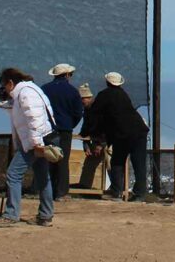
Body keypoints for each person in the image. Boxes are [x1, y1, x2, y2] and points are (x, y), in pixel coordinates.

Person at [0, 67, 57, 228]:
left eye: (5, 86)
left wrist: (36, 143)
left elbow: (34, 118)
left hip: (34, 141)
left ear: (10, 83)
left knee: (13, 175)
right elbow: (19, 112)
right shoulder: (29, 90)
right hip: (42, 138)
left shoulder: (26, 93)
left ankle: (11, 215)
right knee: (42, 176)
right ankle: (45, 215)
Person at [88, 72, 149, 201]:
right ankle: (140, 194)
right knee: (139, 163)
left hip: (122, 134)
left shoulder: (104, 95)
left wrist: (96, 136)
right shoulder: (123, 95)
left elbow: (96, 115)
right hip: (138, 131)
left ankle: (116, 192)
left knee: (117, 162)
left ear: (107, 82)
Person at [41, 63, 83, 200]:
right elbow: (78, 113)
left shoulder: (44, 89)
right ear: (66, 75)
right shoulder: (73, 91)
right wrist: (70, 124)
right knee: (62, 160)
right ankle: (61, 192)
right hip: (65, 129)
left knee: (47, 158)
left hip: (47, 129)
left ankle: (44, 190)